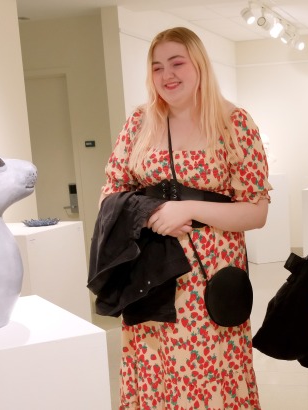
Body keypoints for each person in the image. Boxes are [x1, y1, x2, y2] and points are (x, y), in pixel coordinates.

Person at [99, 27, 270, 409]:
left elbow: (256, 211)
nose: (167, 75)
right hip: (151, 274)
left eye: (177, 63)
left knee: (211, 372)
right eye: (157, 67)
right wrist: (152, 214)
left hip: (209, 277)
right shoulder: (139, 123)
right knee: (155, 369)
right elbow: (111, 193)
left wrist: (189, 209)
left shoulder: (233, 123)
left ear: (199, 65)